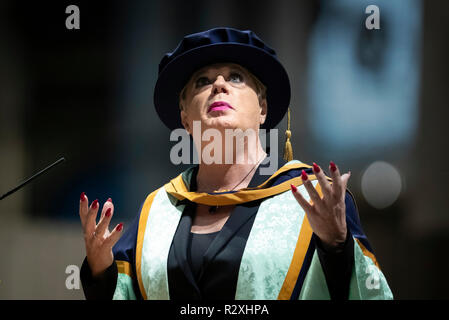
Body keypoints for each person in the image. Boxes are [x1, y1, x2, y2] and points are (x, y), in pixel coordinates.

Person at [78, 27, 393, 300]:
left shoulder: (312, 197)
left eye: (236, 77)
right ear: (185, 117)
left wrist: (337, 247)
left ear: (263, 109)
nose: (218, 85)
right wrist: (100, 270)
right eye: (202, 81)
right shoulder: (156, 211)